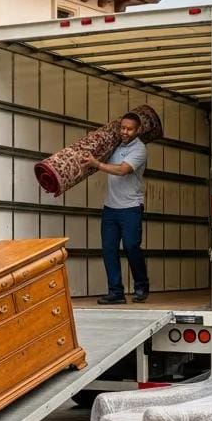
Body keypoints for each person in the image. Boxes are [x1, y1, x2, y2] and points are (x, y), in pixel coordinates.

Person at [81, 112, 150, 304]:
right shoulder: (115, 144)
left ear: (138, 130)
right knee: (109, 249)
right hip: (110, 207)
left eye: (129, 129)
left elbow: (122, 170)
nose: (125, 132)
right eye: (122, 128)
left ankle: (141, 285)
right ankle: (116, 292)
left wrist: (97, 164)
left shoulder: (139, 149)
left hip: (131, 207)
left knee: (131, 246)